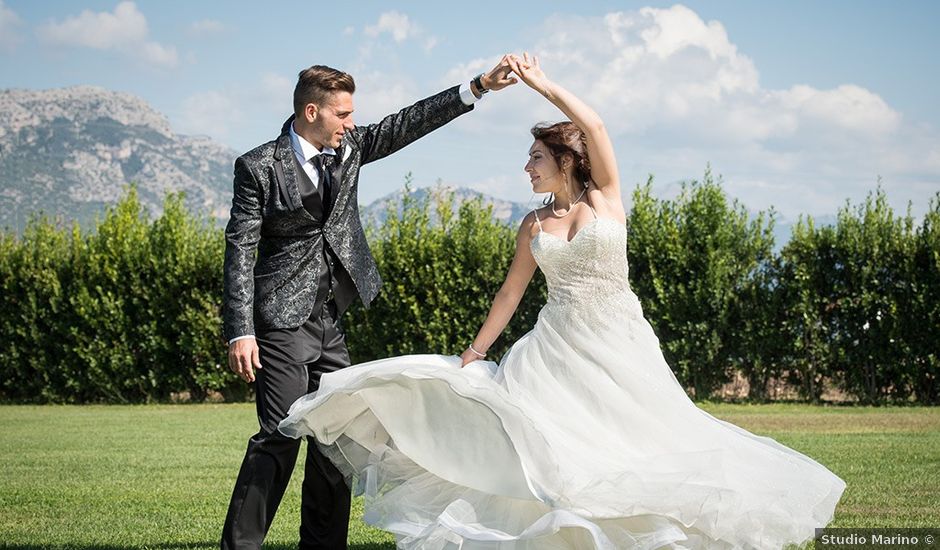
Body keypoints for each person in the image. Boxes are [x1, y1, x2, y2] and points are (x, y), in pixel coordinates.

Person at [278, 53, 846, 549]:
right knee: (555, 454)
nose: (526, 167)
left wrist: (539, 84)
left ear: (564, 161)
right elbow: (511, 292)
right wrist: (476, 350)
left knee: (648, 441)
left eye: (534, 158)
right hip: (553, 350)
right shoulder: (532, 224)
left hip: (620, 342)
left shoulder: (606, 201)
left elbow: (593, 123)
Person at [220, 59, 518, 550]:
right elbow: (240, 250)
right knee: (278, 437)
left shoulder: (350, 147)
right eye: (342, 114)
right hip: (280, 320)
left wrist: (479, 87)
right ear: (311, 111)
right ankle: (241, 546)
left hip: (330, 320)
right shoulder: (258, 167)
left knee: (335, 438)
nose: (350, 123)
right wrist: (240, 329)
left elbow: (405, 124)